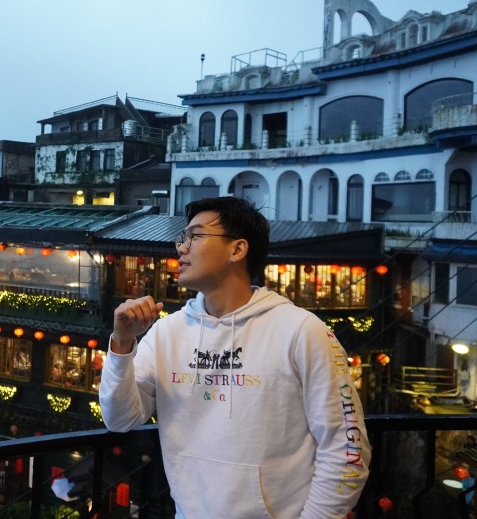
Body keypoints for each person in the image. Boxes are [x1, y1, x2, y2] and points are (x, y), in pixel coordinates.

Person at [99, 196, 371, 518]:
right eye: (183, 237)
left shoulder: (302, 331)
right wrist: (122, 343)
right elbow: (120, 419)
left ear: (237, 249)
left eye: (195, 236)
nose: (181, 247)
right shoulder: (165, 333)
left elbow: (347, 448)